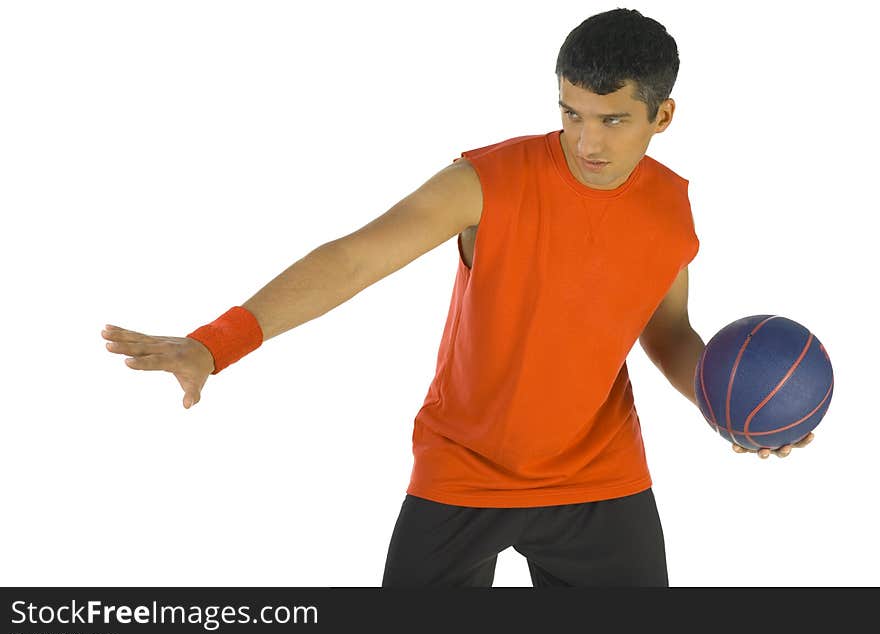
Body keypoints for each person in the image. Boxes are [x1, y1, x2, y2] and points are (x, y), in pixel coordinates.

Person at [101, 8, 813, 587]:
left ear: (662, 117)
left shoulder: (671, 207)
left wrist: (735, 412)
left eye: (612, 120)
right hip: (464, 467)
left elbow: (668, 332)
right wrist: (214, 343)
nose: (584, 140)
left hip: (600, 474)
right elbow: (353, 259)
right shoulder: (485, 181)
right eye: (571, 113)